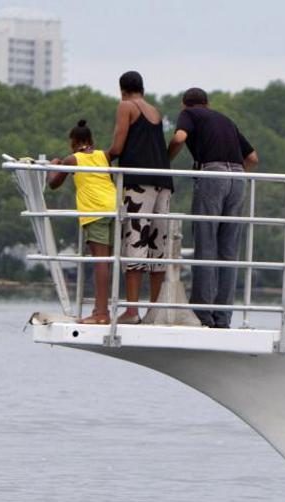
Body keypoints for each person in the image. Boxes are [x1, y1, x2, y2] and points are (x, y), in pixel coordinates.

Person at [168, 87, 258, 328]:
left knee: (206, 244)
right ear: (208, 104)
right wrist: (234, 177)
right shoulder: (225, 119)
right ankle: (223, 317)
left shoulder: (189, 114)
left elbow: (179, 138)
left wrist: (165, 161)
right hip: (238, 178)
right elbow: (252, 158)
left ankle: (203, 315)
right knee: (228, 251)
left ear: (184, 105)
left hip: (212, 175)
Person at [108, 70, 173, 324]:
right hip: (163, 182)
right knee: (158, 245)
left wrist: (100, 158)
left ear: (122, 90)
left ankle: (132, 310)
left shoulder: (127, 106)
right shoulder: (154, 110)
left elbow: (118, 146)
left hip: (138, 183)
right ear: (143, 89)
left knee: (134, 241)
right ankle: (154, 311)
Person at [47, 119, 116, 324]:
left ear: (74, 141)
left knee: (100, 263)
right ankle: (100, 310)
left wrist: (53, 165)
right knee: (108, 262)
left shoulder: (72, 159)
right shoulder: (104, 155)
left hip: (96, 210)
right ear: (91, 140)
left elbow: (53, 183)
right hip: (114, 207)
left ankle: (101, 313)